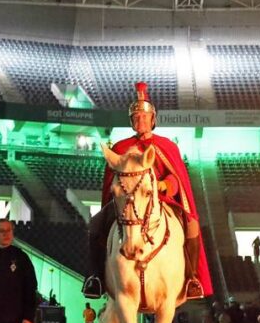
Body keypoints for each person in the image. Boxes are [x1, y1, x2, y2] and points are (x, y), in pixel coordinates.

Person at [87, 82, 211, 300]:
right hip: (126, 203)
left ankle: (191, 278)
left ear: (153, 119)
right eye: (136, 118)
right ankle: (96, 277)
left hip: (162, 201)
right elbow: (112, 179)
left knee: (191, 225)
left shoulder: (167, 147)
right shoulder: (120, 148)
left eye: (144, 117)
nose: (140, 121)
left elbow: (177, 177)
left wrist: (166, 185)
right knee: (96, 224)